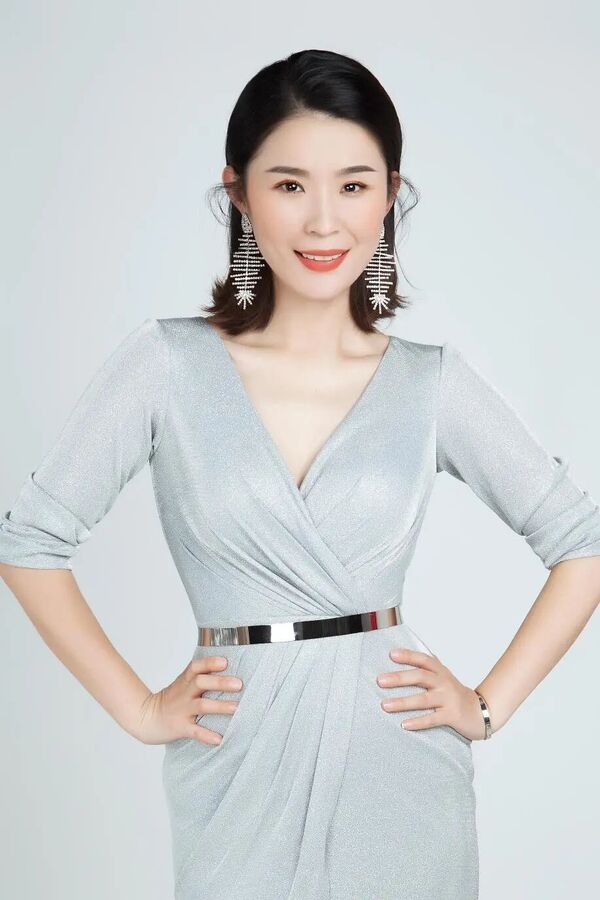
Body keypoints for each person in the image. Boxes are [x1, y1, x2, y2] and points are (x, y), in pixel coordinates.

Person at [1, 48, 599, 900]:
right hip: (234, 765)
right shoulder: (165, 365)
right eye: (290, 184)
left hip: (401, 768)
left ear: (390, 195)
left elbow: (581, 543)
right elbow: (29, 543)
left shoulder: (430, 383)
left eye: (353, 185)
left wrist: (484, 705)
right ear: (239, 194)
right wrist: (140, 709)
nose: (324, 221)